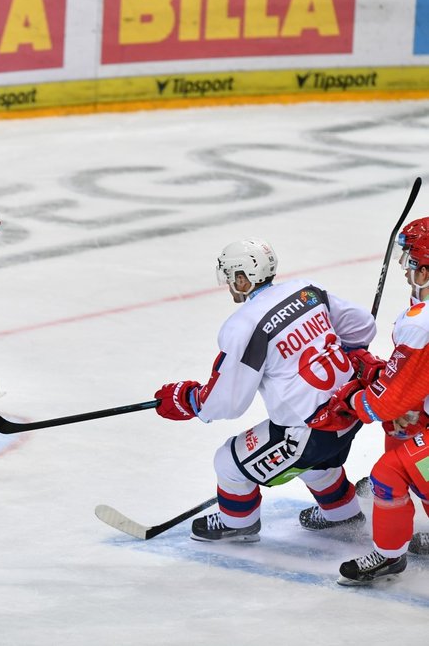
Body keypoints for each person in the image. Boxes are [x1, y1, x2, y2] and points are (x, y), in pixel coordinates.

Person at [155, 238, 377, 543]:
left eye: (231, 277)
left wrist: (189, 399)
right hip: (352, 411)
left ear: (243, 278)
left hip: (311, 430)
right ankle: (341, 514)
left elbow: (227, 401)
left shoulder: (244, 325)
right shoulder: (307, 291)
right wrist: (349, 353)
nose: (229, 285)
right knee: (313, 463)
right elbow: (362, 326)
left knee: (228, 463)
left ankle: (238, 523)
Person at [326, 217, 429, 584]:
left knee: (389, 472)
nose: (406, 271)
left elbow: (382, 404)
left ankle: (388, 556)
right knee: (404, 435)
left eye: (412, 263)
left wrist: (352, 396)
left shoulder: (422, 323)